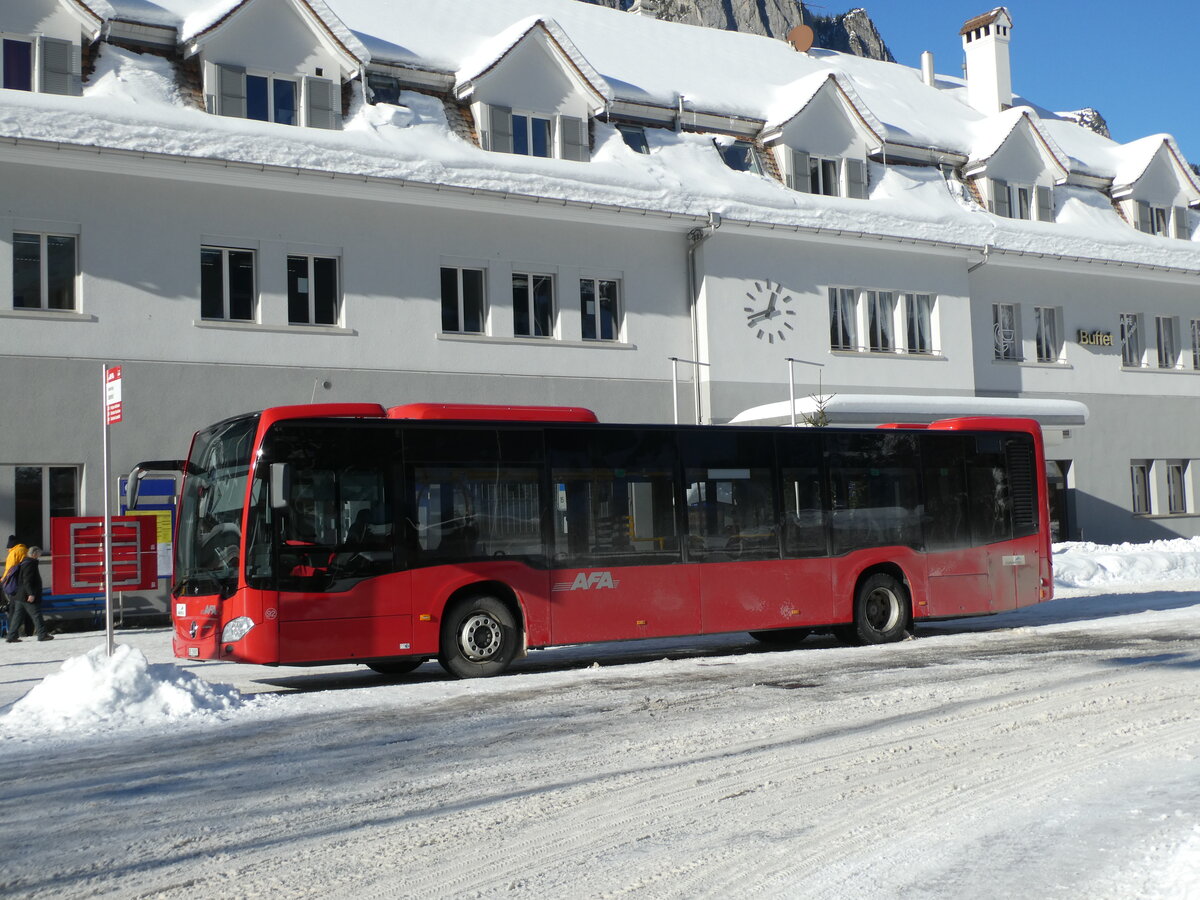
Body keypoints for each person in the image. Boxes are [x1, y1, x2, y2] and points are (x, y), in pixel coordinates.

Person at [5, 545, 52, 643]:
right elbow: (27, 581)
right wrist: (31, 594)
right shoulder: (30, 564)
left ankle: (11, 636)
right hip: (26, 595)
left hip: (20, 595)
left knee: (18, 617)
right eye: (39, 553)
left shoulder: (25, 562)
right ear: (34, 554)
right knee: (36, 614)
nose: (40, 555)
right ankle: (42, 634)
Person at [3, 536, 28, 637]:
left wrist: (3, 580)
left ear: (11, 546)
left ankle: (12, 633)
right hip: (25, 584)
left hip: (15, 585)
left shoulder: (13, 553)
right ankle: (25, 631)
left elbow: (9, 570)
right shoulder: (25, 550)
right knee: (24, 608)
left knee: (13, 609)